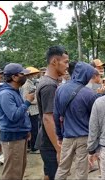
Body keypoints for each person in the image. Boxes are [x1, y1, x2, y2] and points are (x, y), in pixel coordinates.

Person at [54, 62, 100, 179]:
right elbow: (94, 120)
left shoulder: (60, 90)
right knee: (81, 171)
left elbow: (56, 115)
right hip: (84, 138)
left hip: (67, 137)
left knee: (63, 168)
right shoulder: (90, 94)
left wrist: (59, 135)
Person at [0, 63, 34, 180]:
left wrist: (26, 129)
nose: (25, 77)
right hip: (12, 137)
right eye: (22, 74)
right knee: (12, 173)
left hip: (19, 135)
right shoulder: (6, 94)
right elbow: (14, 116)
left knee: (19, 169)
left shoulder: (15, 91)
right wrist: (27, 102)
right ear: (14, 77)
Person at [35, 45, 69, 180]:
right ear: (55, 61)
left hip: (47, 140)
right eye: (65, 62)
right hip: (51, 143)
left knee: (49, 175)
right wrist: (59, 148)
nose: (67, 66)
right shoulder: (49, 86)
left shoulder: (51, 82)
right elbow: (48, 118)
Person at [21, 67, 41, 154]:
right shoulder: (27, 84)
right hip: (31, 110)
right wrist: (36, 101)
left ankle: (31, 146)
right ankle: (33, 148)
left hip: (34, 110)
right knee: (34, 129)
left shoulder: (30, 83)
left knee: (34, 128)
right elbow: (26, 98)